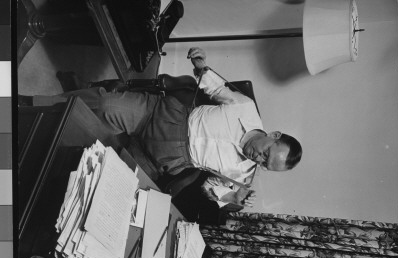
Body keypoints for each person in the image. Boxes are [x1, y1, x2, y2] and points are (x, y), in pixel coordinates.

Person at [23, 47, 302, 209]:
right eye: (267, 154)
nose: (259, 160)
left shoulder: (243, 175)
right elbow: (217, 88)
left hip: (166, 159)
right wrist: (200, 64)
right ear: (273, 135)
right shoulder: (246, 108)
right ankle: (37, 106)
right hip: (162, 117)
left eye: (265, 165)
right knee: (107, 107)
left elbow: (211, 189)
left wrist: (232, 197)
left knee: (115, 183)